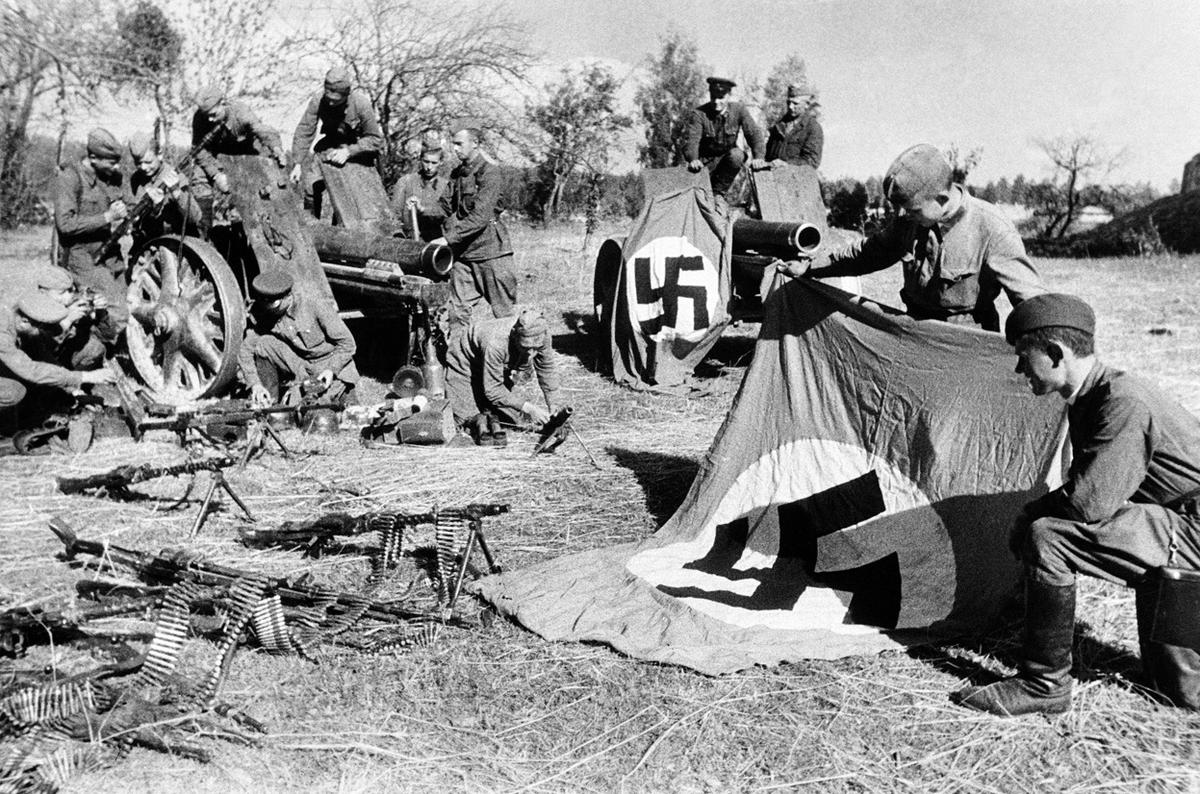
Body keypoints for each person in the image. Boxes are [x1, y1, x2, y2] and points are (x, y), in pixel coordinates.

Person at [954, 294, 1200, 715]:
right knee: (1177, 690)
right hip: (1180, 522)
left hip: (1192, 527)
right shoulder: (1092, 397)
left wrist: (1030, 514)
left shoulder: (1122, 401)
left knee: (1049, 536)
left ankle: (1044, 684)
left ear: (1055, 353)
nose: (1019, 369)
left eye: (1023, 356)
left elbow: (1089, 504)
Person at [779, 144, 1045, 332]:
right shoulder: (909, 219)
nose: (901, 215)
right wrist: (811, 266)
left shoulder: (992, 228)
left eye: (911, 208)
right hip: (915, 335)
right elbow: (870, 253)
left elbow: (1033, 302)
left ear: (941, 199)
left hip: (967, 344)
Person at [431, 121, 517, 324]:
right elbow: (444, 206)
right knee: (456, 313)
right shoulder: (457, 173)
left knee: (504, 316)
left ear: (475, 143)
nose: (454, 148)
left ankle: (516, 355)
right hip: (465, 255)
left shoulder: (489, 173)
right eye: (453, 143)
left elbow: (480, 217)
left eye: (459, 143)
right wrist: (420, 210)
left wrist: (447, 239)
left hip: (491, 254)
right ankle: (457, 356)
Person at [54, 127, 134, 343]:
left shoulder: (111, 176)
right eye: (111, 162)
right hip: (82, 257)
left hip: (110, 252)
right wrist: (107, 217)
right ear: (93, 158)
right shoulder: (70, 178)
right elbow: (65, 224)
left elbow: (130, 201)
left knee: (126, 302)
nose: (116, 168)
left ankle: (106, 340)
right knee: (117, 313)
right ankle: (91, 345)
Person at [237, 271, 358, 406]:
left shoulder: (315, 305)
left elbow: (347, 343)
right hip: (301, 365)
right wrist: (255, 384)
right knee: (263, 344)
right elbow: (246, 349)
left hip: (329, 363)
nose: (268, 308)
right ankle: (268, 403)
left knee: (320, 412)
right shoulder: (266, 310)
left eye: (273, 303)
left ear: (288, 295)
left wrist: (331, 370)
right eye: (265, 302)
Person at [0, 293, 114, 433]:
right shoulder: (3, 334)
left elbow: (43, 358)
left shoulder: (20, 323)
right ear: (24, 321)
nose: (46, 332)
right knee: (13, 391)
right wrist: (85, 376)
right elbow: (31, 370)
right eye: (42, 328)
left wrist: (75, 390)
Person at [444, 308, 560, 428]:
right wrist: (530, 408)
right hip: (465, 361)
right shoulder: (496, 343)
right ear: (515, 335)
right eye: (526, 348)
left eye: (536, 348)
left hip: (494, 358)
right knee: (469, 420)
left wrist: (553, 402)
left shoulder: (542, 334)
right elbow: (493, 390)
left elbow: (546, 367)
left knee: (509, 417)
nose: (531, 354)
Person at [289, 66, 384, 211]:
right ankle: (313, 226)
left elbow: (375, 139)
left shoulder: (361, 104)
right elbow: (305, 131)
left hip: (359, 152)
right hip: (330, 146)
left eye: (336, 100)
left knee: (352, 199)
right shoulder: (318, 101)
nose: (331, 103)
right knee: (310, 186)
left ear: (347, 95)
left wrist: (349, 151)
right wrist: (297, 163)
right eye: (329, 99)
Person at [191, 84, 288, 195]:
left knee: (271, 176)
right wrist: (216, 175)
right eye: (206, 116)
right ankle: (204, 211)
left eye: (213, 114)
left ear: (223, 103)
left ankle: (265, 204)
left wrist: (277, 149)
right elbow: (198, 149)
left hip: (247, 147)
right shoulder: (199, 118)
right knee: (199, 175)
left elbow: (262, 131)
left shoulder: (241, 112)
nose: (210, 119)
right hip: (218, 151)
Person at [683, 76, 767, 198]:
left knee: (737, 155)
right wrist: (693, 159)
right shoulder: (699, 114)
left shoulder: (739, 110)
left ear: (729, 95)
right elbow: (692, 140)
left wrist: (759, 157)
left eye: (721, 97)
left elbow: (753, 133)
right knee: (698, 196)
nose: (716, 102)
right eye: (713, 97)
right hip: (704, 163)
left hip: (726, 162)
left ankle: (719, 194)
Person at [28, 264, 106, 371]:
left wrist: (102, 313)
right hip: (36, 365)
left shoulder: (69, 304)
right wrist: (67, 321)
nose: (68, 296)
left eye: (70, 291)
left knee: (94, 347)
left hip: (61, 357)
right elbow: (38, 350)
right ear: (43, 293)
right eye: (61, 293)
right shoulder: (32, 311)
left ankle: (74, 381)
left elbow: (106, 335)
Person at [127, 132, 202, 239]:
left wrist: (177, 193)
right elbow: (134, 210)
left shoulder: (177, 178)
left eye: (148, 162)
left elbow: (195, 217)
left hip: (175, 241)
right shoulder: (136, 179)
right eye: (138, 163)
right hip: (147, 240)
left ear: (160, 154)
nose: (143, 167)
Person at [391, 142, 447, 242]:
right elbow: (394, 216)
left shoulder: (446, 186)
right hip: (409, 241)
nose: (429, 167)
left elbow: (448, 216)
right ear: (420, 160)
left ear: (441, 162)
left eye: (434, 163)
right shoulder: (405, 182)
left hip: (435, 242)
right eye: (426, 161)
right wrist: (399, 236)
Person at [765, 80, 823, 170]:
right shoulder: (778, 125)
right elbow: (768, 155)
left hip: (797, 180)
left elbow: (812, 161)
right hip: (773, 178)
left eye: (795, 103)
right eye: (789, 103)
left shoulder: (813, 128)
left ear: (806, 104)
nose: (791, 107)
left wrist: (786, 164)